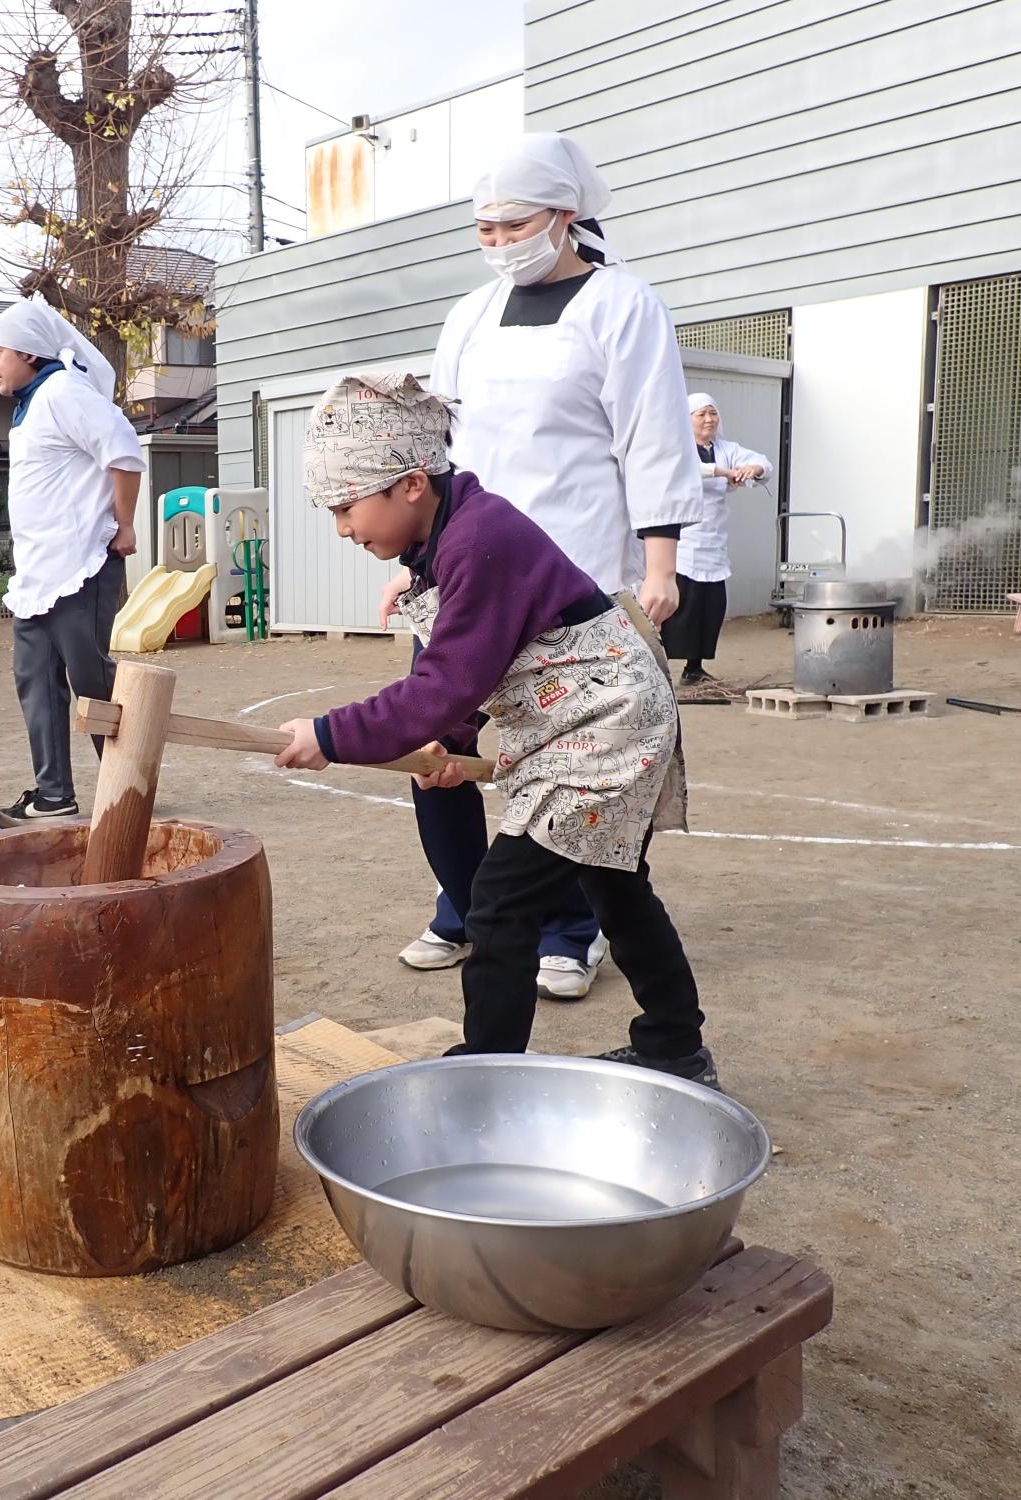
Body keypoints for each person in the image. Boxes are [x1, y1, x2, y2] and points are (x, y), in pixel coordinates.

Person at [273, 372, 714, 1087]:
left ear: (412, 484)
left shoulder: (478, 539)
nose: (344, 529)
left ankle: (484, 1076)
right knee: (617, 890)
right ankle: (674, 1047)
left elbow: (447, 680)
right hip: (575, 721)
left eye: (347, 508)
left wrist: (330, 733)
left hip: (604, 727)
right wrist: (448, 745)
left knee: (501, 902)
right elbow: (488, 661)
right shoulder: (454, 533)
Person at [406, 131, 703, 1000]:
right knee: (436, 739)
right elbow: (440, 442)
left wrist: (660, 563)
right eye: (484, 230)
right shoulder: (469, 314)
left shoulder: (622, 304)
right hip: (467, 569)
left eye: (514, 225)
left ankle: (572, 928)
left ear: (565, 217)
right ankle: (467, 907)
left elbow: (651, 436)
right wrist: (416, 562)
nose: (498, 243)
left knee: (570, 756)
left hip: (579, 575)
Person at [0, 296, 143, 819]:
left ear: (29, 353)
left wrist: (124, 525)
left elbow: (123, 449)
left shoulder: (64, 391)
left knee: (92, 679)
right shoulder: (33, 401)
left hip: (83, 566)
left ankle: (128, 786)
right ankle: (54, 795)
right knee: (34, 679)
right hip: (37, 575)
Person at [663, 393, 772, 687]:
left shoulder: (726, 448)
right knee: (677, 607)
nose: (709, 419)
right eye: (701, 415)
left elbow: (761, 462)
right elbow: (685, 470)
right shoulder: (678, 447)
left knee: (708, 608)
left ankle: (694, 668)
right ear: (687, 420)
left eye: (713, 413)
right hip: (683, 540)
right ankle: (657, 669)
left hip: (713, 541)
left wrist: (754, 469)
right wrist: (720, 472)